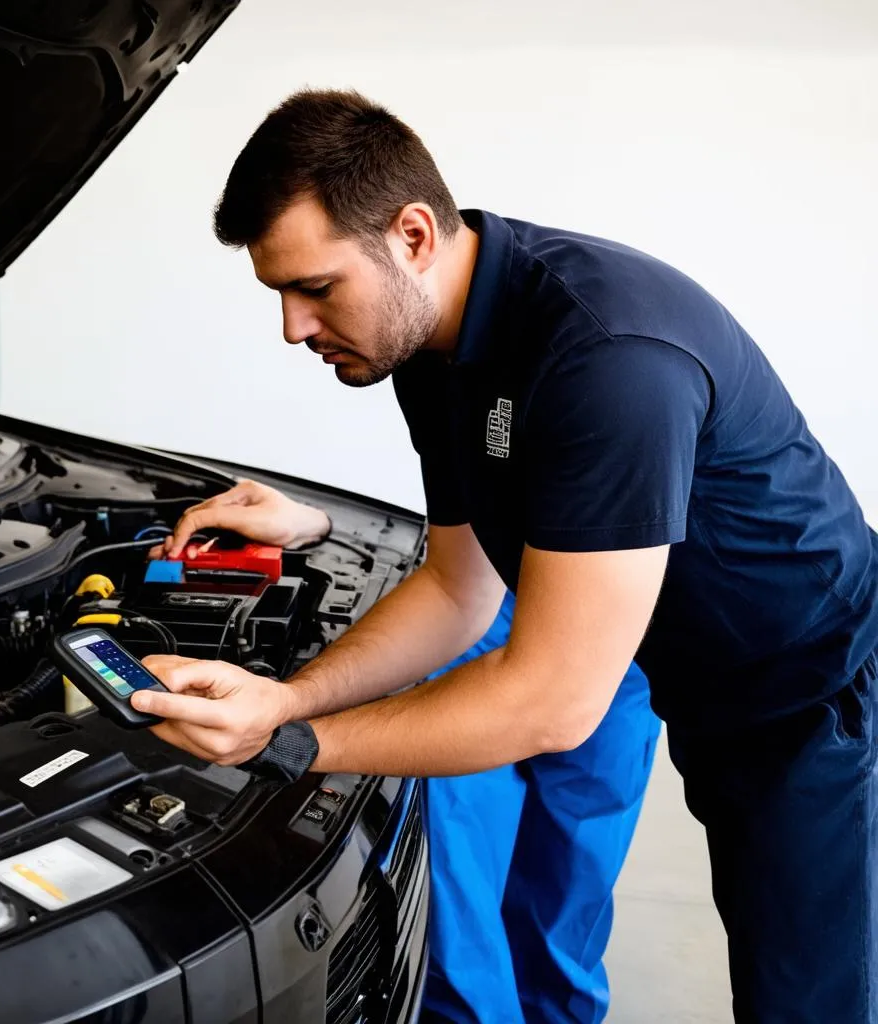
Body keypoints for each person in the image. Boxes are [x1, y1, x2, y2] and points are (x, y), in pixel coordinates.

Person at [135, 90, 878, 1022]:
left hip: (815, 695)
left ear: (412, 235)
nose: (292, 328)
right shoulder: (433, 350)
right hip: (700, 678)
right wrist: (290, 697)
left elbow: (551, 702)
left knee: (807, 1001)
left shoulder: (606, 359)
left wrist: (293, 743)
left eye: (316, 288)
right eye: (277, 294)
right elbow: (456, 589)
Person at [151, 479, 659, 1023]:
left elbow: (550, 703)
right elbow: (457, 555)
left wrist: (292, 741)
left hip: (624, 610)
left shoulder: (617, 398)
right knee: (454, 896)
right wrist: (318, 525)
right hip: (481, 604)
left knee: (576, 871)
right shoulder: (439, 398)